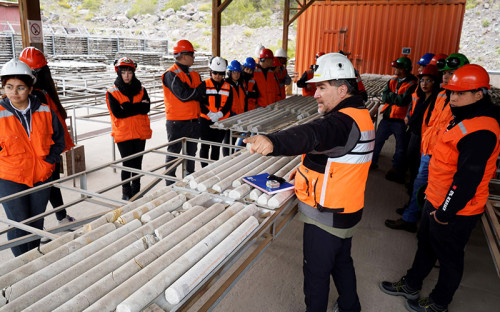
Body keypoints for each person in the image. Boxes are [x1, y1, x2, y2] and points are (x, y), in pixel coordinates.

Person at [245, 53, 374, 312]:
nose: (315, 94)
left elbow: (314, 134)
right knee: (341, 261)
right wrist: (305, 170)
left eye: (322, 88)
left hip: (326, 214)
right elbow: (334, 155)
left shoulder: (342, 121)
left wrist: (274, 141)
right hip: (346, 209)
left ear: (341, 89)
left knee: (316, 274)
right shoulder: (357, 114)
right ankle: (351, 306)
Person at [380, 64, 499, 312]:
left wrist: (445, 212)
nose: (453, 98)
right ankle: (412, 283)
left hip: (456, 210)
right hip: (436, 198)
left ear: (480, 94)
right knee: (426, 244)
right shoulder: (464, 116)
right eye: (452, 92)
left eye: (460, 93)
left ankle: (439, 302)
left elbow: (468, 180)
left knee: (449, 258)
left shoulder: (482, 130)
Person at [392, 53, 468, 231]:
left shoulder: (464, 100)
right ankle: (411, 217)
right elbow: (430, 123)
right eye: (445, 73)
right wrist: (425, 147)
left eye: (452, 72)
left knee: (433, 192)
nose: (447, 76)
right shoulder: (441, 95)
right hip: (429, 152)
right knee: (420, 185)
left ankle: (419, 221)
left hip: (444, 157)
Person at [0, 59, 65, 256]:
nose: (14, 92)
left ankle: (34, 259)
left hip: (41, 176)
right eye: (9, 87)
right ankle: (22, 266)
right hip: (10, 178)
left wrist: (49, 162)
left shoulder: (45, 110)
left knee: (36, 222)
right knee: (18, 224)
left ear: (30, 88)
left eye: (20, 87)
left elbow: (59, 140)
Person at [19, 46, 76, 224]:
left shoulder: (38, 96)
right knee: (44, 190)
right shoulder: (41, 94)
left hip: (45, 151)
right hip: (43, 152)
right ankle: (53, 221)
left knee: (47, 188)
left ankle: (57, 219)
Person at [385, 65, 441, 232]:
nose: (424, 84)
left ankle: (410, 216)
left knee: (419, 180)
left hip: (426, 143)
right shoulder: (422, 96)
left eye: (429, 80)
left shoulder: (437, 99)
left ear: (435, 82)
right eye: (422, 80)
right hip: (416, 137)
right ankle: (411, 207)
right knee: (414, 176)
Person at [106, 57, 151, 200]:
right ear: (118, 72)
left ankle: (136, 191)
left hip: (139, 132)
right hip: (124, 134)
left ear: (133, 72)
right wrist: (138, 107)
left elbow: (146, 108)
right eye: (123, 72)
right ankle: (126, 193)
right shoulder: (112, 92)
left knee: (137, 163)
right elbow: (118, 113)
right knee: (127, 163)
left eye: (129, 72)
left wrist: (128, 107)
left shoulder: (142, 90)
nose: (126, 75)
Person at [161, 39, 203, 185]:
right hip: (177, 123)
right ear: (184, 55)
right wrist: (198, 91)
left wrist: (197, 93)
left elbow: (199, 95)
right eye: (192, 54)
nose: (194, 57)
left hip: (194, 121)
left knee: (190, 154)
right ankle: (169, 184)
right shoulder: (170, 74)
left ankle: (188, 181)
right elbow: (184, 95)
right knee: (174, 154)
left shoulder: (194, 75)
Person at [371, 56, 418, 184]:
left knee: (401, 147)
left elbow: (404, 101)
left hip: (401, 120)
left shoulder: (413, 83)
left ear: (405, 69)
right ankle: (372, 163)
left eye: (397, 68)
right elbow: (385, 96)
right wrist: (394, 97)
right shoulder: (392, 80)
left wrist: (392, 97)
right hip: (387, 117)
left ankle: (397, 169)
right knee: (377, 141)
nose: (395, 70)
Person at [198, 57, 233, 167]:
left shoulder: (228, 87)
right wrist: (209, 114)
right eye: (215, 73)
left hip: (221, 121)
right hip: (205, 120)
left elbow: (228, 104)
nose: (217, 76)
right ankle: (204, 168)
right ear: (211, 72)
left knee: (216, 146)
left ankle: (213, 167)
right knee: (205, 146)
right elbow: (199, 102)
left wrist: (219, 114)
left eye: (220, 73)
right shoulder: (204, 84)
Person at [223, 60, 246, 155]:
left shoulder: (240, 85)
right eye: (234, 72)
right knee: (228, 141)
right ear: (229, 73)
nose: (236, 75)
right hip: (229, 117)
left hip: (239, 116)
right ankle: (227, 159)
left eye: (238, 72)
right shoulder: (226, 85)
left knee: (235, 139)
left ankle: (232, 156)